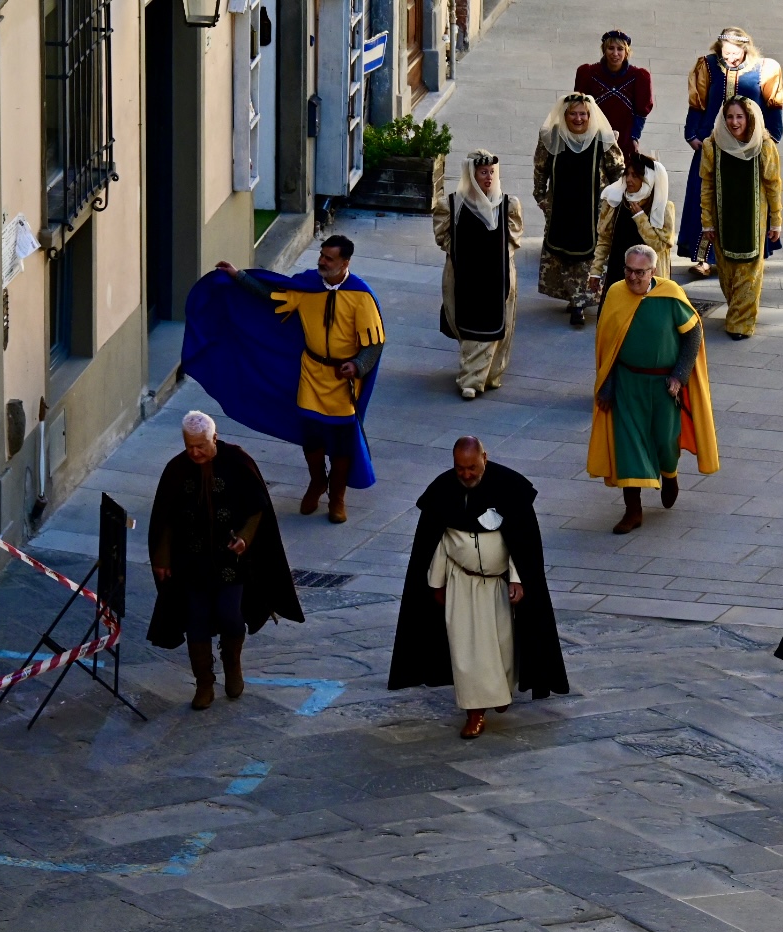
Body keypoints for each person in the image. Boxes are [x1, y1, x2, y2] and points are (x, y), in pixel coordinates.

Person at [189, 236, 386, 525]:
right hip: (311, 374)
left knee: (343, 444)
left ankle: (337, 497)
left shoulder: (361, 296)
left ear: (345, 263)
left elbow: (374, 344)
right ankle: (317, 482)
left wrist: (357, 365)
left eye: (329, 258)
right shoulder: (307, 287)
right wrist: (238, 276)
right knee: (312, 438)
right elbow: (270, 295)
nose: (322, 261)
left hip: (342, 381)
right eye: (322, 255)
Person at [389, 437, 569, 739]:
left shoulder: (510, 487)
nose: (466, 474)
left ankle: (500, 692)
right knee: (467, 650)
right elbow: (437, 543)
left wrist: (518, 578)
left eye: (472, 467)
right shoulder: (443, 490)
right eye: (460, 468)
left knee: (502, 644)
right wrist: (436, 583)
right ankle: (474, 712)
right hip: (461, 583)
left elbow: (522, 543)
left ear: (484, 458)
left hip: (497, 585)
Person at [147, 411, 304, 710]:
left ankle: (232, 664)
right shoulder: (177, 469)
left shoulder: (238, 462)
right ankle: (204, 683)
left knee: (231, 615)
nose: (195, 452)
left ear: (214, 438)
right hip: (191, 562)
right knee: (196, 620)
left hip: (230, 562)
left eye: (201, 446)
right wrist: (163, 556)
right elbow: (165, 518)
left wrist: (244, 538)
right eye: (189, 446)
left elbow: (257, 508)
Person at [588, 245, 720, 534]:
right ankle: (633, 510)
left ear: (653, 272)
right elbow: (608, 345)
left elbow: (693, 333)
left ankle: (669, 475)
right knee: (628, 445)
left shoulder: (671, 294)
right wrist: (607, 385)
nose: (633, 277)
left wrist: (679, 376)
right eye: (629, 270)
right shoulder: (615, 294)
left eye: (640, 272)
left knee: (665, 441)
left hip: (663, 387)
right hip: (627, 384)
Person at [677, 28, 783, 275]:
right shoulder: (708, 67)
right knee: (705, 197)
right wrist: (692, 135)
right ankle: (704, 259)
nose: (731, 58)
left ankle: (748, 255)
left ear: (745, 49)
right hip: (712, 146)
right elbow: (697, 103)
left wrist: (771, 138)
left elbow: (773, 108)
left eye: (735, 53)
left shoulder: (764, 69)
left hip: (750, 149)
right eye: (726, 53)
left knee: (747, 201)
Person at [435, 151, 524, 399]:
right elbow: (443, 237)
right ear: (471, 175)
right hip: (464, 275)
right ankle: (471, 379)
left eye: (492, 172)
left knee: (496, 323)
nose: (488, 177)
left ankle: (486, 375)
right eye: (483, 172)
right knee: (469, 324)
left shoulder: (508, 205)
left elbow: (513, 239)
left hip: (498, 275)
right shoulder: (451, 206)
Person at [535, 93, 625, 327]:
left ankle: (579, 302)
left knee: (588, 255)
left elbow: (618, 171)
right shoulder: (552, 137)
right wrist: (540, 196)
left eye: (583, 114)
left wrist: (617, 201)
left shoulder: (602, 138)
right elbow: (541, 167)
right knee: (563, 251)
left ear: (590, 115)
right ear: (564, 115)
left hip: (592, 209)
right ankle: (574, 296)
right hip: (560, 207)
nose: (578, 119)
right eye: (573, 114)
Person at [701, 97, 783, 340]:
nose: (734, 122)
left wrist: (776, 220)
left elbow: (773, 185)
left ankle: (741, 322)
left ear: (749, 119)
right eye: (730, 117)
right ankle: (736, 308)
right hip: (723, 220)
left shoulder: (764, 146)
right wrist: (707, 221)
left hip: (753, 222)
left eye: (740, 117)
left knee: (749, 272)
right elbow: (707, 186)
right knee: (727, 271)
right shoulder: (713, 145)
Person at [589, 153, 675, 301]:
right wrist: (596, 271)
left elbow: (660, 245)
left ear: (648, 179)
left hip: (647, 279)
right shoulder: (615, 202)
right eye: (627, 174)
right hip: (618, 273)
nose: (628, 179)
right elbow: (604, 239)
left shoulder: (663, 208)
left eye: (635, 176)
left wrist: (640, 218)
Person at [574, 30, 653, 158]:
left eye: (620, 49)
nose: (615, 53)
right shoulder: (589, 73)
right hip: (593, 138)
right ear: (604, 50)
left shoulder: (638, 77)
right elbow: (579, 107)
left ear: (626, 52)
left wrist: (634, 137)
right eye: (611, 48)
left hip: (624, 140)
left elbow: (641, 112)